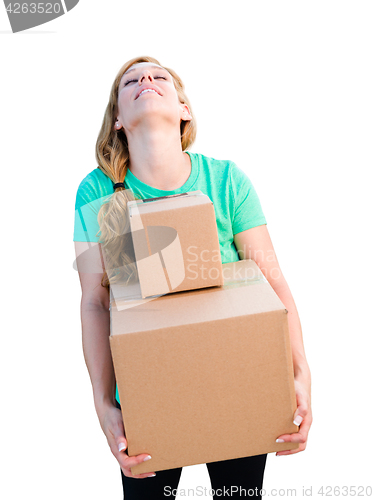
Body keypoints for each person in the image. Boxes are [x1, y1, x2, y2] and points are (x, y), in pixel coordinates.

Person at [73, 55, 312, 499]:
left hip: (240, 376)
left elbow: (273, 282)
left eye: (158, 76)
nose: (146, 79)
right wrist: (104, 405)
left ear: (184, 109)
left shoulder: (225, 181)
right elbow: (95, 301)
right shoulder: (102, 190)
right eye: (131, 81)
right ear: (119, 120)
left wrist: (300, 376)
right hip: (149, 389)